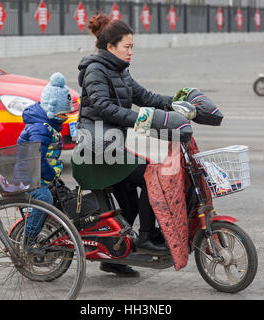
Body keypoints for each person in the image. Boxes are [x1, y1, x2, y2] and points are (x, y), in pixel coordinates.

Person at [73, 13, 192, 277]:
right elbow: (105, 108)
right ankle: (147, 236)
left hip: (113, 144)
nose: (130, 52)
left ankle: (114, 255)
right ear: (110, 47)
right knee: (154, 173)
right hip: (96, 149)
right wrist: (145, 118)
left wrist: (177, 102)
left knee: (127, 201)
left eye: (132, 47)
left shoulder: (120, 71)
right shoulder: (95, 70)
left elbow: (145, 97)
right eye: (127, 47)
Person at [17, 72, 72, 248]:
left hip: (39, 176)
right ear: (52, 110)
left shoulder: (48, 126)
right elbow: (37, 157)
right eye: (64, 114)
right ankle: (29, 238)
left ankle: (46, 228)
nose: (66, 117)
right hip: (29, 178)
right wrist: (50, 175)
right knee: (45, 199)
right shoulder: (41, 129)